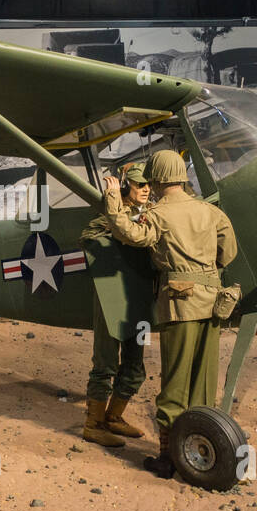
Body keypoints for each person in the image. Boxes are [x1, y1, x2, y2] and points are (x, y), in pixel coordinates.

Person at [101, 150, 238, 478]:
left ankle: (167, 458)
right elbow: (228, 253)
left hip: (179, 304)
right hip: (213, 301)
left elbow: (131, 234)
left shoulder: (158, 214)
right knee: (203, 378)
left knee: (174, 380)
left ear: (157, 178)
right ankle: (203, 443)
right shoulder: (210, 211)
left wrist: (111, 200)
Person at [78, 161, 152, 447]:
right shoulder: (110, 212)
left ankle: (113, 417)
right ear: (125, 187)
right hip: (111, 296)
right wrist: (124, 222)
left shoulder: (148, 211)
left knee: (135, 366)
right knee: (105, 363)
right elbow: (88, 238)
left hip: (137, 294)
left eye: (148, 185)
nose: (145, 190)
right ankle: (92, 424)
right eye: (139, 185)